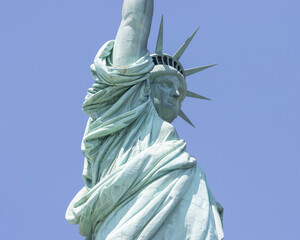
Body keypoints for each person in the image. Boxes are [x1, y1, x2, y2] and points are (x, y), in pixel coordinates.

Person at [66, 0, 224, 239]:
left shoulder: (179, 157)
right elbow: (133, 20)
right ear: (146, 86)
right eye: (168, 84)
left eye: (180, 91)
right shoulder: (125, 112)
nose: (177, 93)